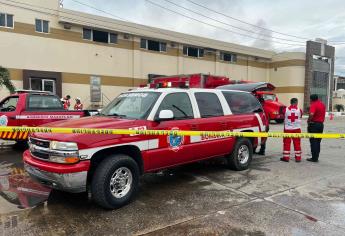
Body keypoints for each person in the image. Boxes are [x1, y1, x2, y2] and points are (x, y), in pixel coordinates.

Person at [281, 98, 303, 162]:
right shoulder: (300, 110)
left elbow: (283, 115)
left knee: (286, 143)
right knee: (297, 143)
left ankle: (286, 157)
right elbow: (300, 116)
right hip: (297, 129)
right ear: (296, 102)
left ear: (290, 102)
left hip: (288, 128)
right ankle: (298, 158)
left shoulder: (285, 110)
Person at [307, 94, 326, 162]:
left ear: (311, 99)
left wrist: (308, 121)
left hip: (314, 125)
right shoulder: (322, 104)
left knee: (313, 141)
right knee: (318, 141)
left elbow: (311, 114)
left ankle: (314, 158)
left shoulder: (313, 104)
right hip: (321, 125)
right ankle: (316, 156)